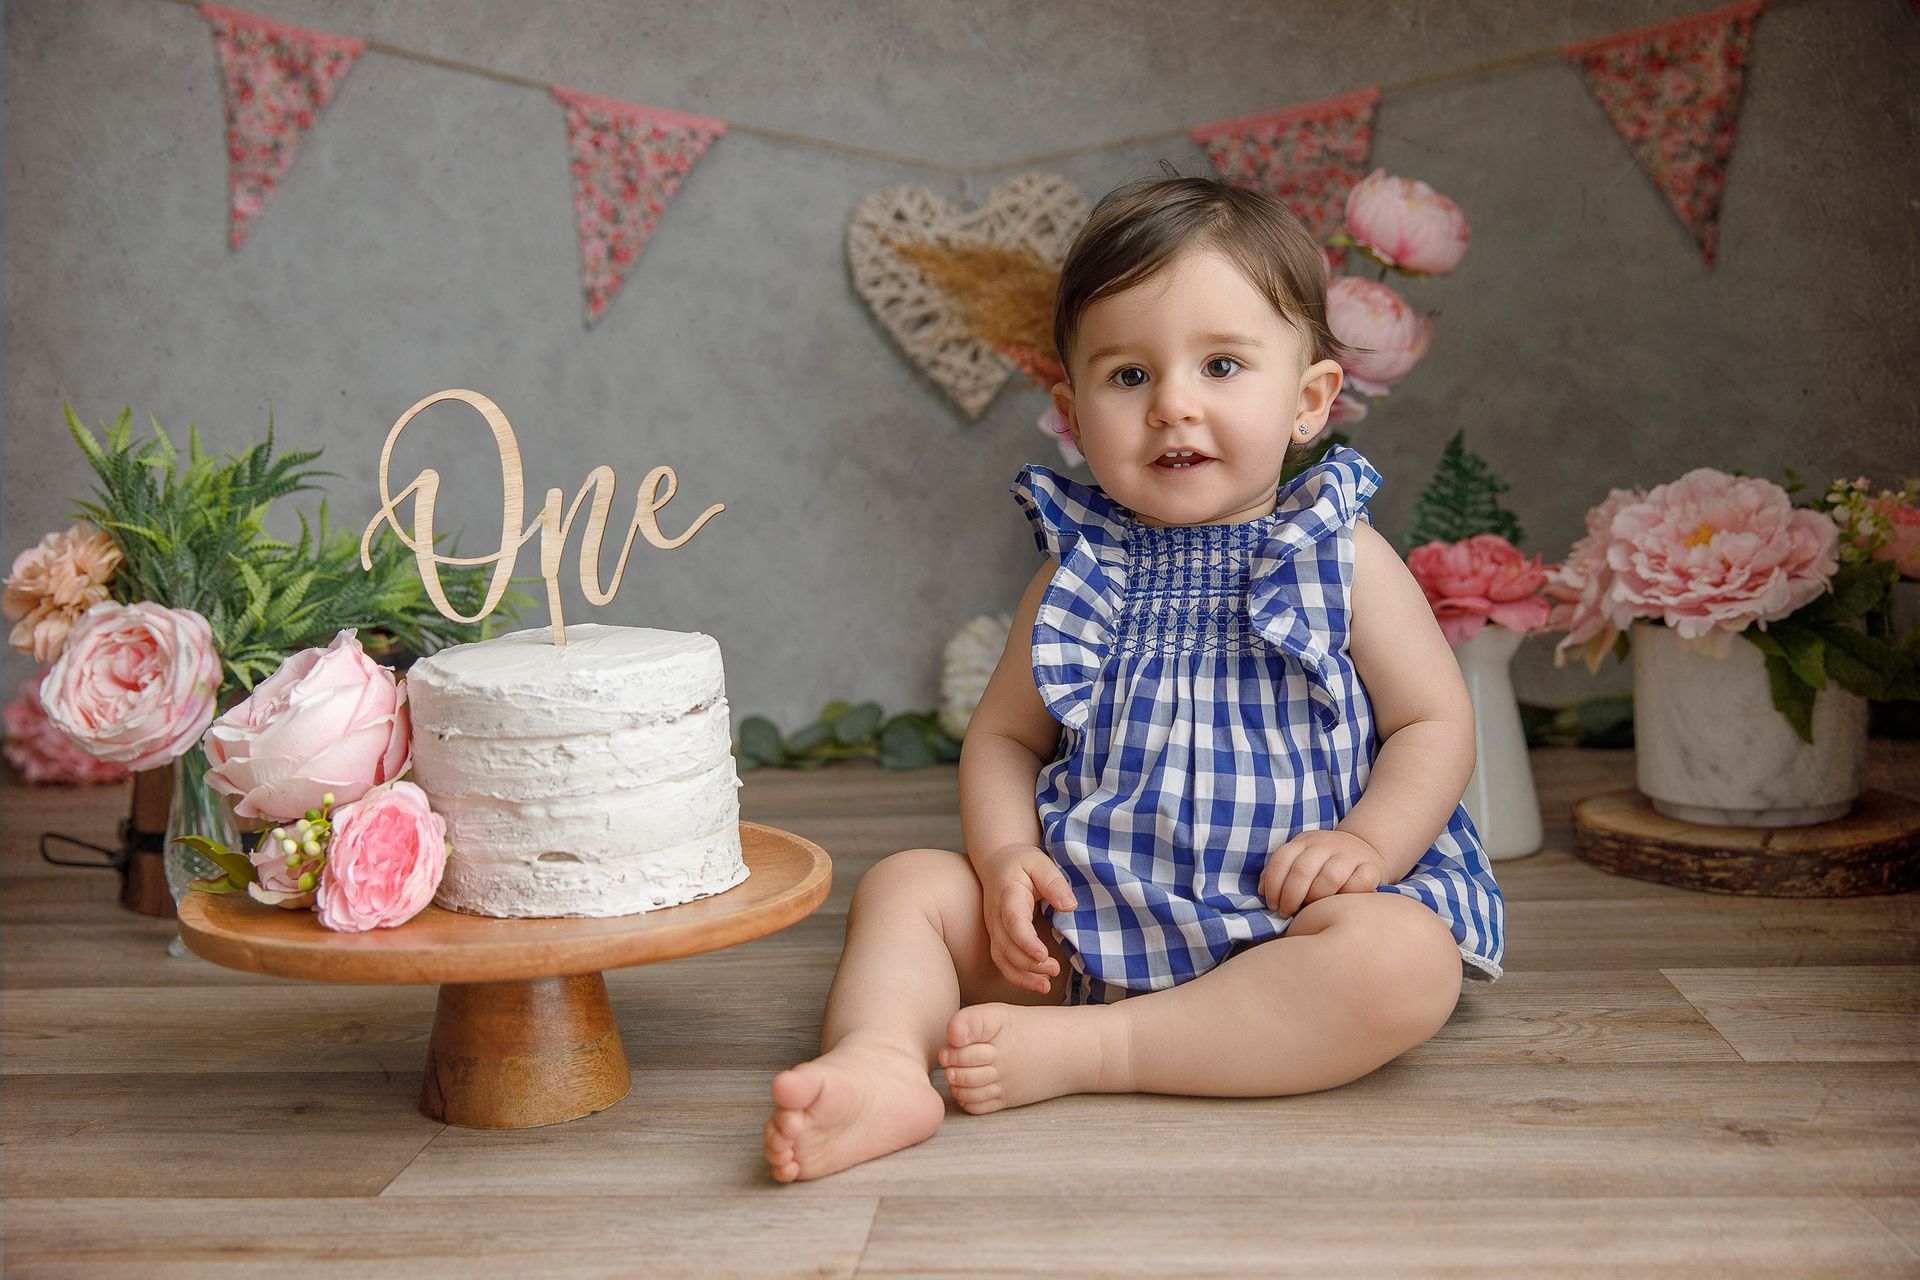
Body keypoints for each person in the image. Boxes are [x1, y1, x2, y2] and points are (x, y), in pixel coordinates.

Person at [764, 174, 1505, 1184]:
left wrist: (1367, 844)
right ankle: (881, 1062)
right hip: (1089, 920)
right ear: (1072, 412)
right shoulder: (1077, 571)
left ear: (1308, 400)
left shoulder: (1341, 555)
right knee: (909, 886)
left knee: (1404, 961)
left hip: (1282, 926)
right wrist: (1008, 855)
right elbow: (1004, 738)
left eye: (1223, 363)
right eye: (1127, 377)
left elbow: (1432, 720)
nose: (1174, 406)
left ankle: (1103, 1049)